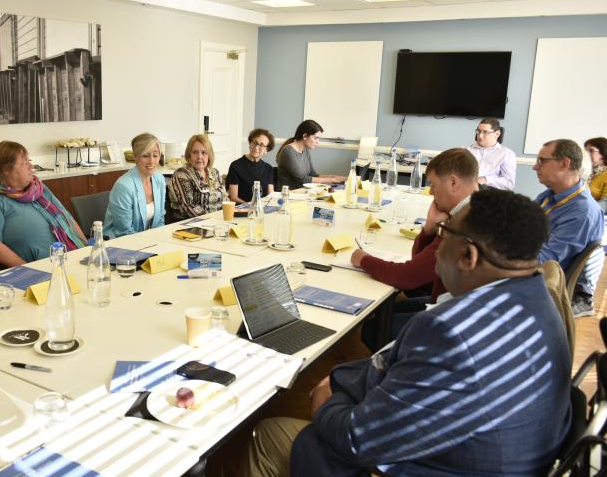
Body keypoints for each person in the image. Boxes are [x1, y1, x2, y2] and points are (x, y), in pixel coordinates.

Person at [242, 189, 571, 476]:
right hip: (515, 455)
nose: (438, 246)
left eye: (444, 234)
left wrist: (326, 402)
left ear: (468, 255)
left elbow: (360, 440)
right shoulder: (540, 296)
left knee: (271, 433)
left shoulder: (451, 332)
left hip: (453, 466)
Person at [350, 148, 479, 346]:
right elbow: (419, 263)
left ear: (453, 182)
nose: (431, 192)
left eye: (434, 185)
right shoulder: (476, 206)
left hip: (455, 317)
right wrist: (429, 229)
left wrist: (362, 259)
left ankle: (399, 371)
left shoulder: (462, 223)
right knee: (388, 310)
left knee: (374, 329)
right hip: (459, 304)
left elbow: (407, 277)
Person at [0, 141, 87, 272]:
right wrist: (30, 271)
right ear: (6, 170)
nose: (31, 166)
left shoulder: (38, 189)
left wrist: (86, 251)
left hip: (67, 262)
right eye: (24, 163)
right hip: (32, 273)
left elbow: (67, 219)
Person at [534, 138, 604, 317]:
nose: (535, 167)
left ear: (565, 163)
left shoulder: (582, 211)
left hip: (542, 282)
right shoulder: (550, 194)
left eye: (542, 161)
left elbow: (546, 263)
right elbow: (521, 222)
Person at [103, 132, 166, 239]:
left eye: (155, 155)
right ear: (135, 157)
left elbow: (160, 220)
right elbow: (124, 232)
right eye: (145, 155)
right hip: (119, 244)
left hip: (146, 241)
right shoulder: (123, 186)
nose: (151, 161)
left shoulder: (159, 179)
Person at [167, 134, 227, 222]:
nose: (199, 157)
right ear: (189, 154)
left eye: (204, 152)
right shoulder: (182, 174)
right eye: (195, 152)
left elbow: (225, 199)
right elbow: (188, 207)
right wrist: (213, 221)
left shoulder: (214, 173)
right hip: (189, 225)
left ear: (209, 155)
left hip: (216, 223)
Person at [276, 120, 344, 190]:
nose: (318, 142)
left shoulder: (305, 150)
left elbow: (313, 175)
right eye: (316, 138)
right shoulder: (288, 151)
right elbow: (303, 179)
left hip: (301, 194)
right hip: (287, 195)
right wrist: (332, 180)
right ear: (305, 136)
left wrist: (338, 178)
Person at [227, 128, 276, 204]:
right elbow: (233, 197)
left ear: (266, 150)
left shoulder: (268, 168)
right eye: (254, 143)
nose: (256, 147)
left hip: (263, 209)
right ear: (250, 144)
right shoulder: (236, 166)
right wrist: (251, 207)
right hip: (242, 210)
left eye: (261, 145)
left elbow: (271, 195)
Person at [466, 117, 516, 190]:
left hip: (488, 192)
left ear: (497, 134)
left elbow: (509, 183)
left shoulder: (506, 154)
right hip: (464, 188)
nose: (480, 135)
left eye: (485, 132)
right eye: (478, 131)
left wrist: (485, 179)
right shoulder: (466, 151)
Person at [584, 137, 607, 211]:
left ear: (604, 153)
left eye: (591, 150)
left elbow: (605, 204)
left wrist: (582, 210)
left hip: (595, 215)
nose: (587, 155)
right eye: (585, 151)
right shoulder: (583, 173)